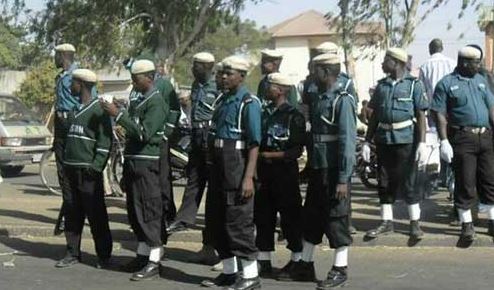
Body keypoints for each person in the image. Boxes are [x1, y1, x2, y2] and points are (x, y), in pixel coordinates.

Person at [287, 53, 356, 289]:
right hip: (318, 165)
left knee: (337, 217)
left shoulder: (342, 100)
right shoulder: (319, 97)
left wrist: (344, 179)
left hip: (335, 168)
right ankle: (305, 264)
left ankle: (340, 268)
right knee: (313, 215)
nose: (312, 74)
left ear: (326, 72)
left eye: (316, 70)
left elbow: (347, 142)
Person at [101, 60, 167, 281]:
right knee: (135, 211)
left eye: (136, 78)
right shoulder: (141, 100)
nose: (133, 82)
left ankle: (154, 260)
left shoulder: (156, 102)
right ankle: (142, 255)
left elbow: (144, 133)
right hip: (133, 162)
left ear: (149, 77)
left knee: (149, 211)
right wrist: (121, 111)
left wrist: (118, 115)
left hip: (146, 163)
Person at [201, 56, 262, 290]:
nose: (224, 77)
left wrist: (248, 177)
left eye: (230, 73)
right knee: (217, 219)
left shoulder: (249, 102)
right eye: (223, 73)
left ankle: (250, 276)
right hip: (219, 162)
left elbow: (254, 143)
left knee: (238, 220)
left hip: (237, 162)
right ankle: (229, 272)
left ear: (242, 76)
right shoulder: (222, 100)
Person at [362, 48, 429, 240]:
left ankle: (414, 224)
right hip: (383, 140)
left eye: (386, 60)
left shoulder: (414, 85)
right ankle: (386, 222)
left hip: (406, 140)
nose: (383, 64)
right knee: (383, 182)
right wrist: (367, 141)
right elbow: (374, 116)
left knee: (409, 182)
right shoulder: (381, 86)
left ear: (397, 63)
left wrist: (422, 143)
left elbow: (420, 115)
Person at [431, 46, 494, 242]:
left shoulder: (481, 81)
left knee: (490, 181)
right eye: (476, 63)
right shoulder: (446, 84)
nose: (479, 66)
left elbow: (491, 109)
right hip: (462, 138)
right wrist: (443, 141)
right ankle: (466, 225)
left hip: (485, 137)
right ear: (464, 62)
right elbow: (439, 113)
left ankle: (492, 222)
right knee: (465, 183)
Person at [54, 69, 113, 268]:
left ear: (82, 84)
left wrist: (95, 168)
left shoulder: (99, 110)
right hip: (70, 169)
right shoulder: (75, 109)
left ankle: (104, 255)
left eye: (73, 82)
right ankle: (72, 252)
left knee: (96, 215)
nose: (71, 86)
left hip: (87, 171)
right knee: (72, 212)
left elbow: (105, 143)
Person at [254, 72, 305, 279]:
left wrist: (270, 154)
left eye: (271, 86)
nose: (267, 89)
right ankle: (263, 260)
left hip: (285, 172)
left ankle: (297, 260)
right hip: (264, 172)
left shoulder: (294, 116)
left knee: (290, 218)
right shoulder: (263, 113)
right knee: (263, 216)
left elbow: (296, 151)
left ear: (281, 90)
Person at [167, 52, 218, 233]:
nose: (193, 69)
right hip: (195, 133)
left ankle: (213, 228)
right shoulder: (196, 85)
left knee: (213, 183)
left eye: (197, 66)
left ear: (208, 67)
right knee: (194, 178)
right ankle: (184, 220)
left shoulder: (217, 85)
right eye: (193, 65)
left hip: (209, 135)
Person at [52, 43, 79, 235]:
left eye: (56, 55)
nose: (54, 59)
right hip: (60, 125)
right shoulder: (61, 76)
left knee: (72, 173)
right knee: (63, 174)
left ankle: (68, 215)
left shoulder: (78, 76)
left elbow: (86, 101)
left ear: (63, 55)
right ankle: (67, 213)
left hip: (72, 123)